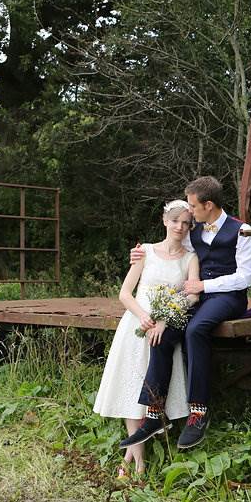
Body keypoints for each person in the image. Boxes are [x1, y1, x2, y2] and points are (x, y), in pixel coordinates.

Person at [120, 175, 251, 450]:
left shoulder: (242, 230)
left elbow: (245, 277)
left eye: (193, 207)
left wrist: (205, 284)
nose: (189, 213)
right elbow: (170, 251)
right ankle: (153, 413)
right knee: (163, 333)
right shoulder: (195, 232)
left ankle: (198, 411)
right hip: (196, 297)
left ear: (208, 205)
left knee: (196, 330)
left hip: (228, 296)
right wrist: (140, 254)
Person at [93, 199, 197, 476]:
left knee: (149, 388)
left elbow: (193, 294)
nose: (180, 227)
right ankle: (138, 461)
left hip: (164, 328)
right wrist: (142, 316)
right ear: (165, 221)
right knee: (132, 387)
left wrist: (166, 318)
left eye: (186, 223)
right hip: (137, 325)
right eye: (175, 221)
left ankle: (131, 459)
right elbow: (125, 293)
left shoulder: (190, 258)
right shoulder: (146, 252)